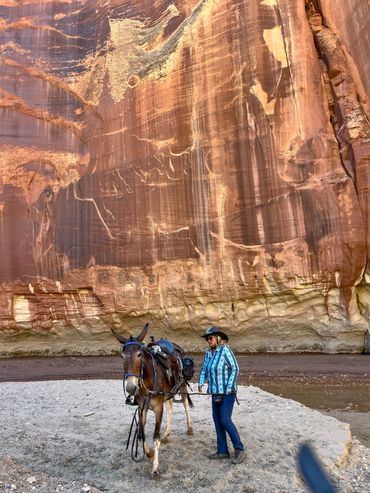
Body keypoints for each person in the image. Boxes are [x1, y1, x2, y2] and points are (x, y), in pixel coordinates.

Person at [198, 326, 245, 464]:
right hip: (215, 393)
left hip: (228, 393)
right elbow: (204, 369)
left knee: (225, 420)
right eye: (207, 339)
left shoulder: (225, 350)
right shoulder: (208, 353)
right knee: (217, 421)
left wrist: (229, 386)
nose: (208, 341)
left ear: (218, 338)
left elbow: (235, 368)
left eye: (210, 338)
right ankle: (222, 451)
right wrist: (201, 382)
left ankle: (239, 449)